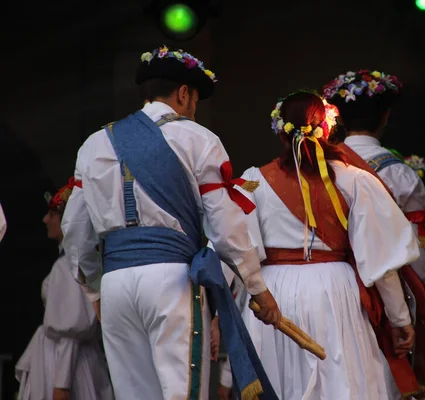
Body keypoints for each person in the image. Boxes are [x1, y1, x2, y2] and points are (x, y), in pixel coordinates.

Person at [60, 45, 280, 400]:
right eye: (194, 99)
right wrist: (257, 286)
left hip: (116, 285)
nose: (194, 109)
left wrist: (96, 291)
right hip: (171, 281)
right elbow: (225, 227)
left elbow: (74, 231)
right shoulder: (199, 139)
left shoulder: (93, 144)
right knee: (181, 393)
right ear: (183, 94)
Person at [233, 90, 419, 399]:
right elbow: (381, 261)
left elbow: (234, 246)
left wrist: (214, 311)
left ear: (281, 132)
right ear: (328, 129)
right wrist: (400, 318)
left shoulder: (252, 180)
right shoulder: (356, 179)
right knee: (339, 381)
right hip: (336, 292)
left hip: (271, 294)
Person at [323, 70, 425, 396]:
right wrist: (424, 309)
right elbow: (423, 259)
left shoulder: (314, 165)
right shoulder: (401, 176)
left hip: (321, 292)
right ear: (385, 117)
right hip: (382, 300)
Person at [16, 178, 114, 400]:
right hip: (66, 359)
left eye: (52, 214)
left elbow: (71, 329)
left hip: (65, 365)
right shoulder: (68, 263)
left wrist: (62, 385)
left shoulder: (69, 265)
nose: (45, 220)